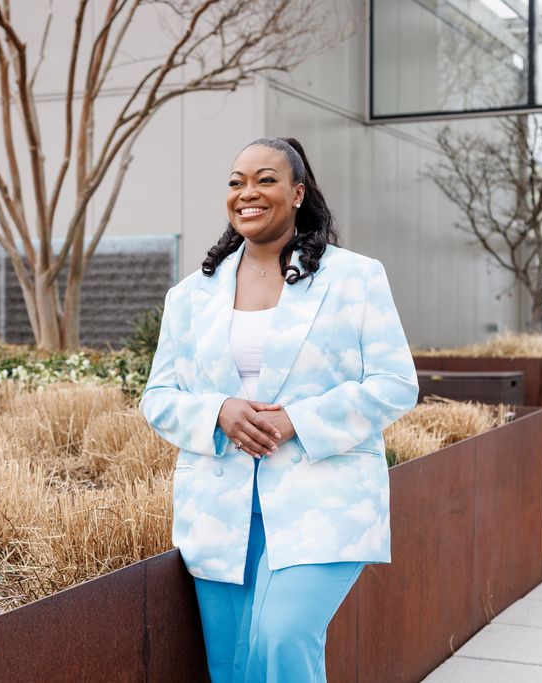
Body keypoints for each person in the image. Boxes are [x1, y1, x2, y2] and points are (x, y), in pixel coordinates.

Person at [139, 137, 418, 683]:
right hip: (220, 505)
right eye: (236, 181)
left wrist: (299, 419)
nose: (248, 192)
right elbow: (157, 398)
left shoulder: (354, 278)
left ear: (297, 193)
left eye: (265, 180)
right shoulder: (190, 296)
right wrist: (217, 410)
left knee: (282, 636)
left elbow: (394, 383)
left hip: (324, 495)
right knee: (233, 664)